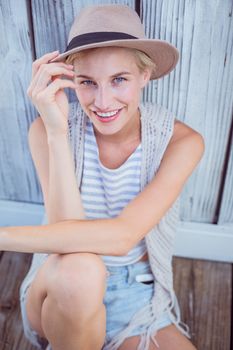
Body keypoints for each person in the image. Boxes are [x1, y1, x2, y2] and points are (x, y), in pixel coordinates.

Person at [0, 4, 204, 350]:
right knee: (82, 272)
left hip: (135, 295)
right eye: (87, 82)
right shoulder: (47, 130)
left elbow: (123, 237)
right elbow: (64, 241)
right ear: (70, 80)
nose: (103, 101)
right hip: (60, 286)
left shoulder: (181, 142)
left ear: (145, 75)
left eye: (119, 79)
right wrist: (56, 131)